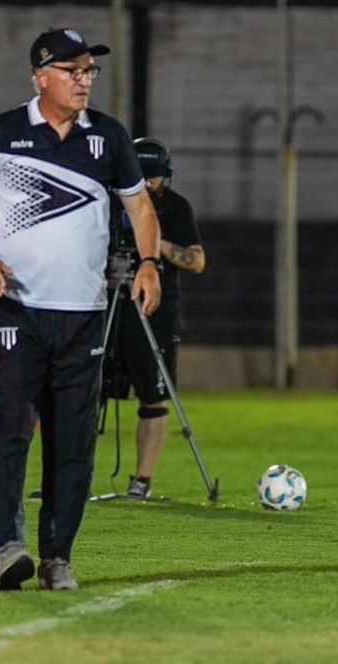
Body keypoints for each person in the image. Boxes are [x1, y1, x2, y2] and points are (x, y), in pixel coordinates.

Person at [0, 27, 161, 591]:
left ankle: (57, 557)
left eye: (89, 71)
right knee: (11, 432)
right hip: (17, 311)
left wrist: (148, 264)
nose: (84, 80)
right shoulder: (2, 132)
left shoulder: (109, 137)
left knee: (72, 445)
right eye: (72, 71)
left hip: (83, 316)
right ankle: (8, 549)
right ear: (40, 76)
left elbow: (140, 209)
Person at [109, 137, 205, 499]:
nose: (148, 183)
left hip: (155, 311)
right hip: (107, 304)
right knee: (81, 393)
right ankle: (66, 478)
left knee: (154, 395)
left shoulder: (176, 207)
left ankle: (142, 479)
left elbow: (197, 261)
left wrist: (154, 242)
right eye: (142, 175)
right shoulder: (108, 201)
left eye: (154, 176)